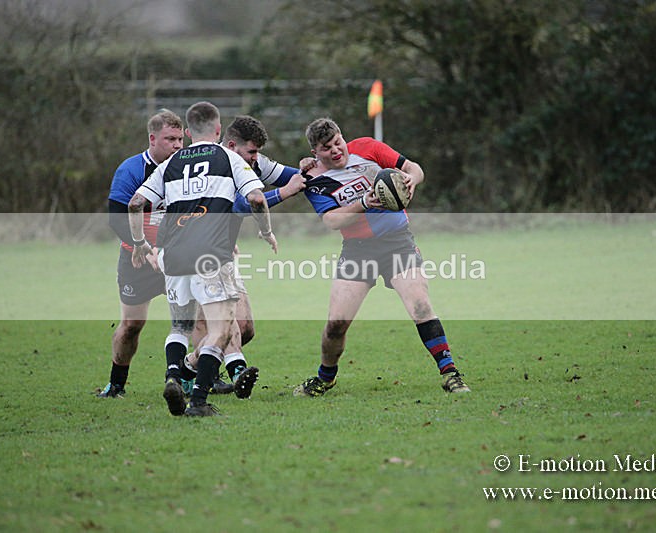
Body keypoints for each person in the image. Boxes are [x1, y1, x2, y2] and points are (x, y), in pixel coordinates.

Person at [293, 117, 471, 397]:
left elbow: (413, 167)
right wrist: (363, 203)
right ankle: (325, 377)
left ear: (343, 136)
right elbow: (330, 221)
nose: (336, 150)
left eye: (338, 142)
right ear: (315, 152)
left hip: (397, 242)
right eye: (327, 148)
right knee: (336, 324)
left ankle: (450, 373)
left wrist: (412, 178)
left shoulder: (368, 147)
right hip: (357, 250)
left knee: (421, 306)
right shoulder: (313, 178)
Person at [129, 101, 277, 417]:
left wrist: (140, 243)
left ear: (187, 131)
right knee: (221, 330)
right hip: (211, 253)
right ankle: (197, 401)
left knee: (181, 325)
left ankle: (174, 375)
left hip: (172, 253)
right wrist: (265, 231)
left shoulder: (170, 163)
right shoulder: (228, 156)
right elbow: (256, 197)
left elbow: (135, 203)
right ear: (219, 130)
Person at [180, 115, 306, 391]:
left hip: (223, 251)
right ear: (233, 145)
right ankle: (221, 376)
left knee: (244, 326)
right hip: (197, 252)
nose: (256, 158)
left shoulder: (251, 161)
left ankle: (189, 367)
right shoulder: (219, 164)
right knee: (216, 322)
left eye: (257, 152)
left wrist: (310, 167)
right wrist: (284, 193)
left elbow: (291, 175)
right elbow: (240, 205)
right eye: (252, 151)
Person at [97, 109, 184, 398]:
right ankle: (116, 385)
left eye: (180, 139)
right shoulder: (132, 169)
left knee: (195, 321)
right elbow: (116, 217)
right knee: (132, 325)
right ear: (152, 138)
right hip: (137, 258)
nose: (177, 145)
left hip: (176, 257)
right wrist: (139, 246)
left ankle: (189, 379)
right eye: (170, 139)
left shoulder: (186, 168)